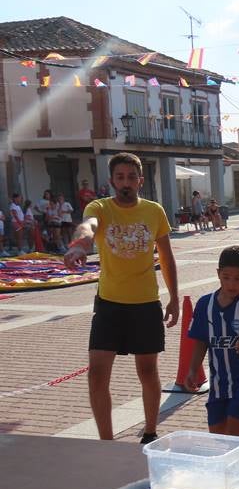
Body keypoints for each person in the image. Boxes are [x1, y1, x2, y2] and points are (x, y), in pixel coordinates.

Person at [63, 152, 179, 443]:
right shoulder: (100, 207)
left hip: (145, 304)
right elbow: (87, 225)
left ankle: (150, 431)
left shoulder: (154, 211)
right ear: (112, 180)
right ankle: (106, 441)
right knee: (97, 375)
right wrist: (80, 245)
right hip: (110, 305)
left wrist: (174, 297)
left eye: (131, 177)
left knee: (148, 371)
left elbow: (166, 256)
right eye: (120, 177)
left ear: (140, 180)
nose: (125, 183)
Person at [186, 246, 239, 452]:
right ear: (218, 274)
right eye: (226, 277)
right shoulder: (205, 304)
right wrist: (193, 369)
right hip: (218, 380)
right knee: (218, 434)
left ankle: (237, 473)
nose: (231, 284)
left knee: (231, 436)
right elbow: (201, 340)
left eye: (238, 279)